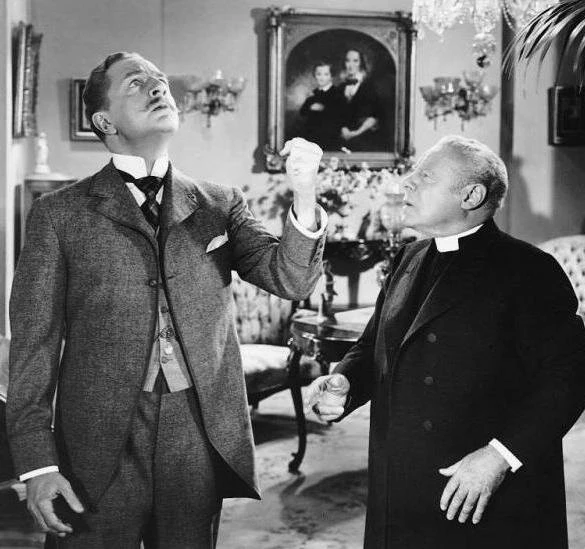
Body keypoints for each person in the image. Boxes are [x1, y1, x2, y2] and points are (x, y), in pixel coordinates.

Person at [6, 51, 327, 549]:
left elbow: (291, 279)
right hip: (95, 438)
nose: (159, 87)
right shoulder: (59, 214)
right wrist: (37, 464)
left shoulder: (220, 203)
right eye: (136, 83)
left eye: (160, 80)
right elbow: (34, 347)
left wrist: (304, 195)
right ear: (104, 121)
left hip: (198, 431)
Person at [305, 135, 585, 549]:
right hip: (400, 484)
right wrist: (344, 383)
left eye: (426, 177)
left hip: (484, 491)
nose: (407, 183)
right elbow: (371, 346)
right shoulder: (407, 258)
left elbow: (569, 380)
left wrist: (499, 456)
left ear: (471, 195)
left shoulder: (530, 270)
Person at [337, 49, 383, 152]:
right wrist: (343, 129)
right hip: (343, 137)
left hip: (365, 137)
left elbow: (375, 116)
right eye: (347, 60)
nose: (351, 65)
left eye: (355, 61)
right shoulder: (340, 88)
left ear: (361, 64)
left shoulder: (369, 87)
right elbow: (336, 114)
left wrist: (357, 132)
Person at [299, 61, 344, 151]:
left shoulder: (337, 93)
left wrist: (323, 108)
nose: (322, 77)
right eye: (319, 74)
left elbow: (340, 114)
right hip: (312, 137)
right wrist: (310, 106)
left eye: (326, 74)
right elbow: (302, 112)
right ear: (315, 75)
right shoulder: (313, 93)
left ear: (331, 76)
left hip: (330, 137)